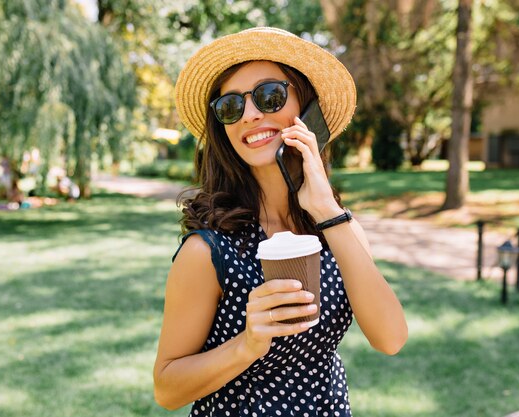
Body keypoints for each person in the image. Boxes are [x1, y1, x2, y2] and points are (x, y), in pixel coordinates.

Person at [153, 27, 408, 417]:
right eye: (230, 107)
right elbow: (167, 388)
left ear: (306, 107)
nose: (251, 114)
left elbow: (390, 339)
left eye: (270, 95)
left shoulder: (339, 229)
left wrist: (326, 212)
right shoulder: (208, 251)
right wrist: (247, 344)